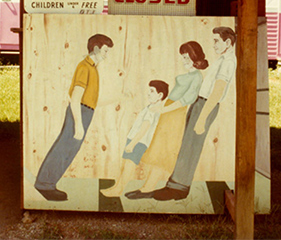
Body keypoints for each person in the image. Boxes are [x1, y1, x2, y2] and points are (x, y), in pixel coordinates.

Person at [152, 26, 236, 201]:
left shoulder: (228, 62)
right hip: (200, 103)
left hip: (206, 105)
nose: (213, 45)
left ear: (228, 42)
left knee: (191, 145)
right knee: (186, 143)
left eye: (216, 41)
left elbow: (218, 90)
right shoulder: (223, 59)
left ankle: (179, 188)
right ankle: (174, 184)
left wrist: (202, 118)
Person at [34, 33, 114, 201]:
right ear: (97, 48)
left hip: (85, 111)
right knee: (64, 147)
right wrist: (78, 124)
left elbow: (92, 100)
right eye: (106, 51)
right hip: (79, 112)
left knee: (69, 149)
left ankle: (47, 183)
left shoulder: (93, 69)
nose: (107, 55)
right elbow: (76, 98)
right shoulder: (84, 67)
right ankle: (45, 184)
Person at [125, 41, 208, 200]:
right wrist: (162, 106)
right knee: (157, 149)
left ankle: (147, 188)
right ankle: (146, 187)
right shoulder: (189, 75)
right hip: (168, 111)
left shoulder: (197, 76)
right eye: (183, 57)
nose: (184, 60)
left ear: (194, 57)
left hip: (175, 114)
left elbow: (188, 98)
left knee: (162, 151)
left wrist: (165, 109)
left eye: (186, 57)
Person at [100, 80, 169, 198]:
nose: (148, 93)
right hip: (134, 140)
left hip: (138, 142)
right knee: (126, 164)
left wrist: (132, 143)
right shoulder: (151, 107)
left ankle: (118, 190)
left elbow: (144, 128)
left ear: (160, 95)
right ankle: (117, 187)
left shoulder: (153, 110)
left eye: (152, 91)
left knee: (129, 165)